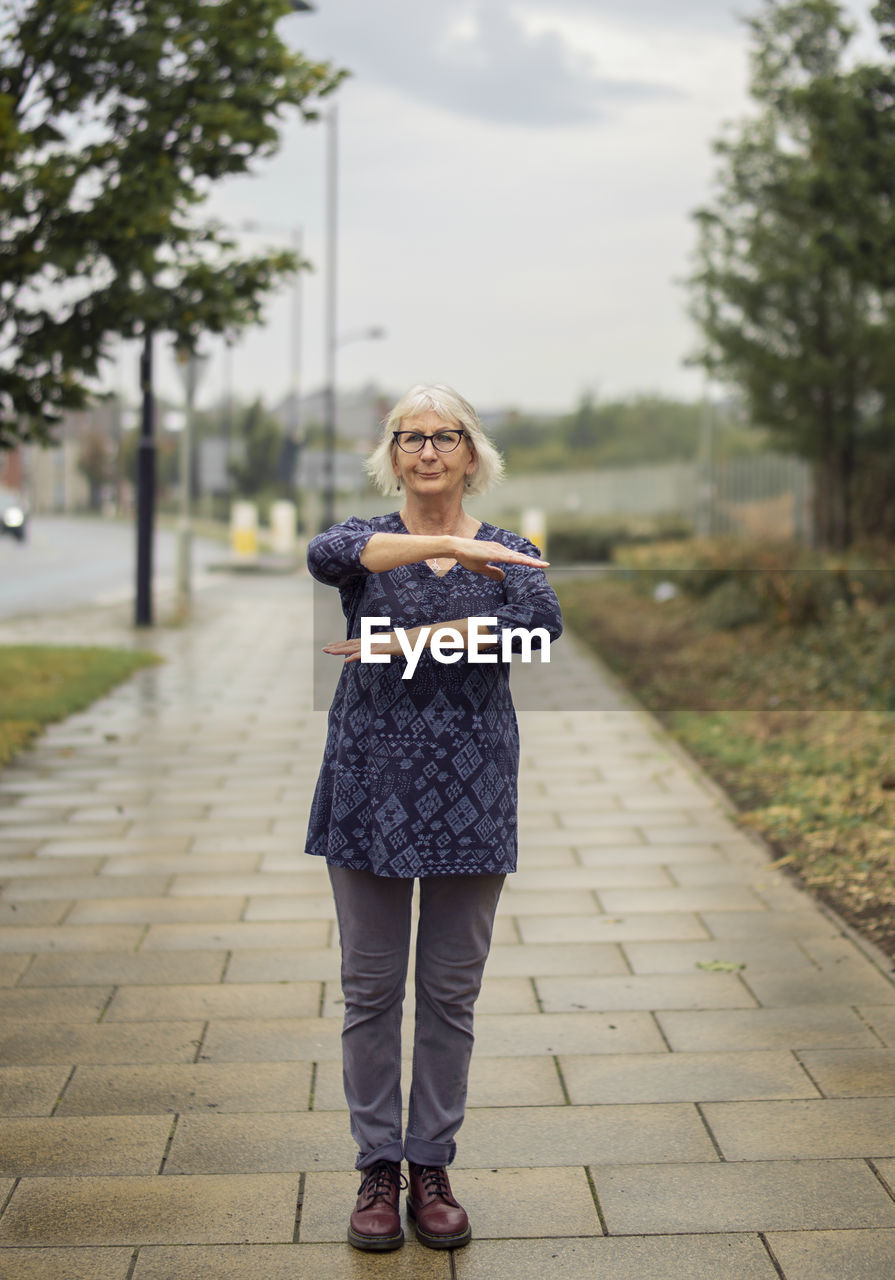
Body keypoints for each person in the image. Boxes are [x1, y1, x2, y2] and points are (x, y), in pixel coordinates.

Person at [305, 383, 562, 1252]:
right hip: (370, 783)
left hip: (472, 790)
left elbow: (536, 634)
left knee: (450, 995)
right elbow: (322, 553)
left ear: (469, 451)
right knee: (370, 991)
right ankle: (377, 1167)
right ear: (393, 453)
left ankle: (431, 1166)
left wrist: (410, 640)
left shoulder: (514, 552)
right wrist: (447, 547)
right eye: (408, 437)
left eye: (442, 436)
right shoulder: (363, 546)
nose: (425, 450)